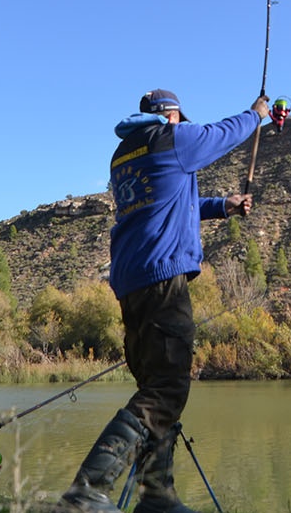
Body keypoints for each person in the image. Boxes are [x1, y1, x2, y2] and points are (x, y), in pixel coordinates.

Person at [59, 88, 269, 513]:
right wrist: (256, 114)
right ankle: (87, 492)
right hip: (161, 279)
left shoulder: (124, 154)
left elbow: (172, 203)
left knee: (155, 386)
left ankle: (157, 498)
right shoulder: (172, 138)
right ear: (171, 116)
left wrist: (222, 207)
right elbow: (219, 134)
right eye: (181, 117)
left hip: (131, 281)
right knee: (167, 388)